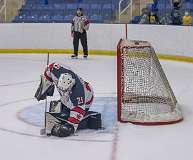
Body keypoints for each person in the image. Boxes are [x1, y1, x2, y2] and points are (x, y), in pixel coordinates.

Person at [35, 62, 101, 137]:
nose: (62, 92)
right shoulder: (56, 70)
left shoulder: (78, 94)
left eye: (64, 91)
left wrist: (69, 127)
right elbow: (49, 69)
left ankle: (74, 114)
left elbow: (77, 115)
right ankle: (66, 109)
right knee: (57, 106)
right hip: (74, 94)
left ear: (71, 86)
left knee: (69, 115)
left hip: (87, 99)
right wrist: (46, 83)